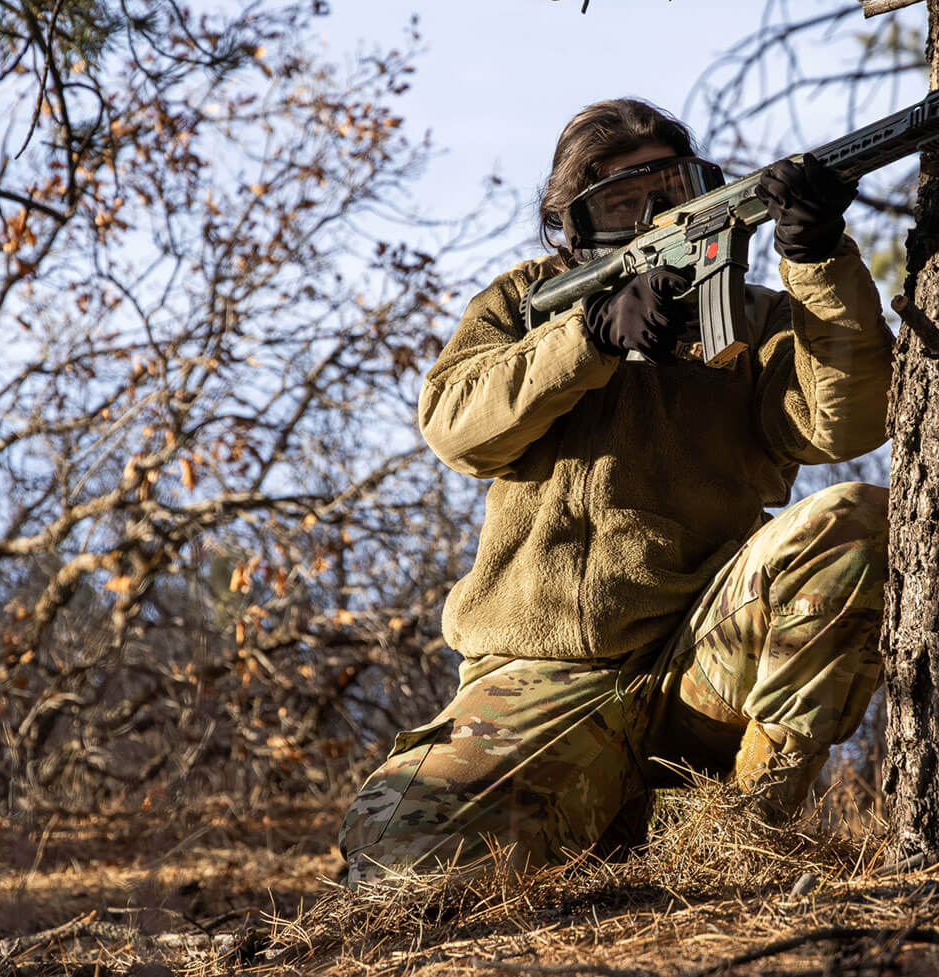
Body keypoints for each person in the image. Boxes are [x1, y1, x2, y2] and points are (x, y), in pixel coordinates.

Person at [338, 98, 895, 887]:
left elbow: (850, 423)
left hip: (701, 656)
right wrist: (588, 337)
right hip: (540, 675)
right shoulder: (522, 302)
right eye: (621, 201)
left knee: (854, 520)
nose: (651, 216)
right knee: (400, 863)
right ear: (571, 219)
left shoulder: (759, 317)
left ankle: (738, 837)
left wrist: (819, 257)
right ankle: (615, 820)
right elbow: (455, 426)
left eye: (670, 191)